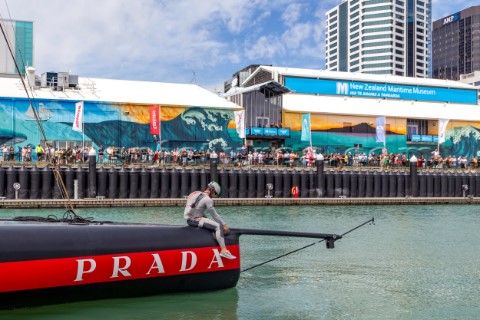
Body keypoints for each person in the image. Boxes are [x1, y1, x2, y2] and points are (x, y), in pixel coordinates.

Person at [184, 181, 236, 260]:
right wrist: (224, 224)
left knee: (210, 221)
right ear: (213, 191)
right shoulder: (207, 199)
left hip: (189, 219)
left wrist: (205, 218)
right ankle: (224, 251)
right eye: (215, 194)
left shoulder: (196, 193)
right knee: (218, 227)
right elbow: (215, 215)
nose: (214, 197)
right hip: (194, 220)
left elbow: (195, 210)